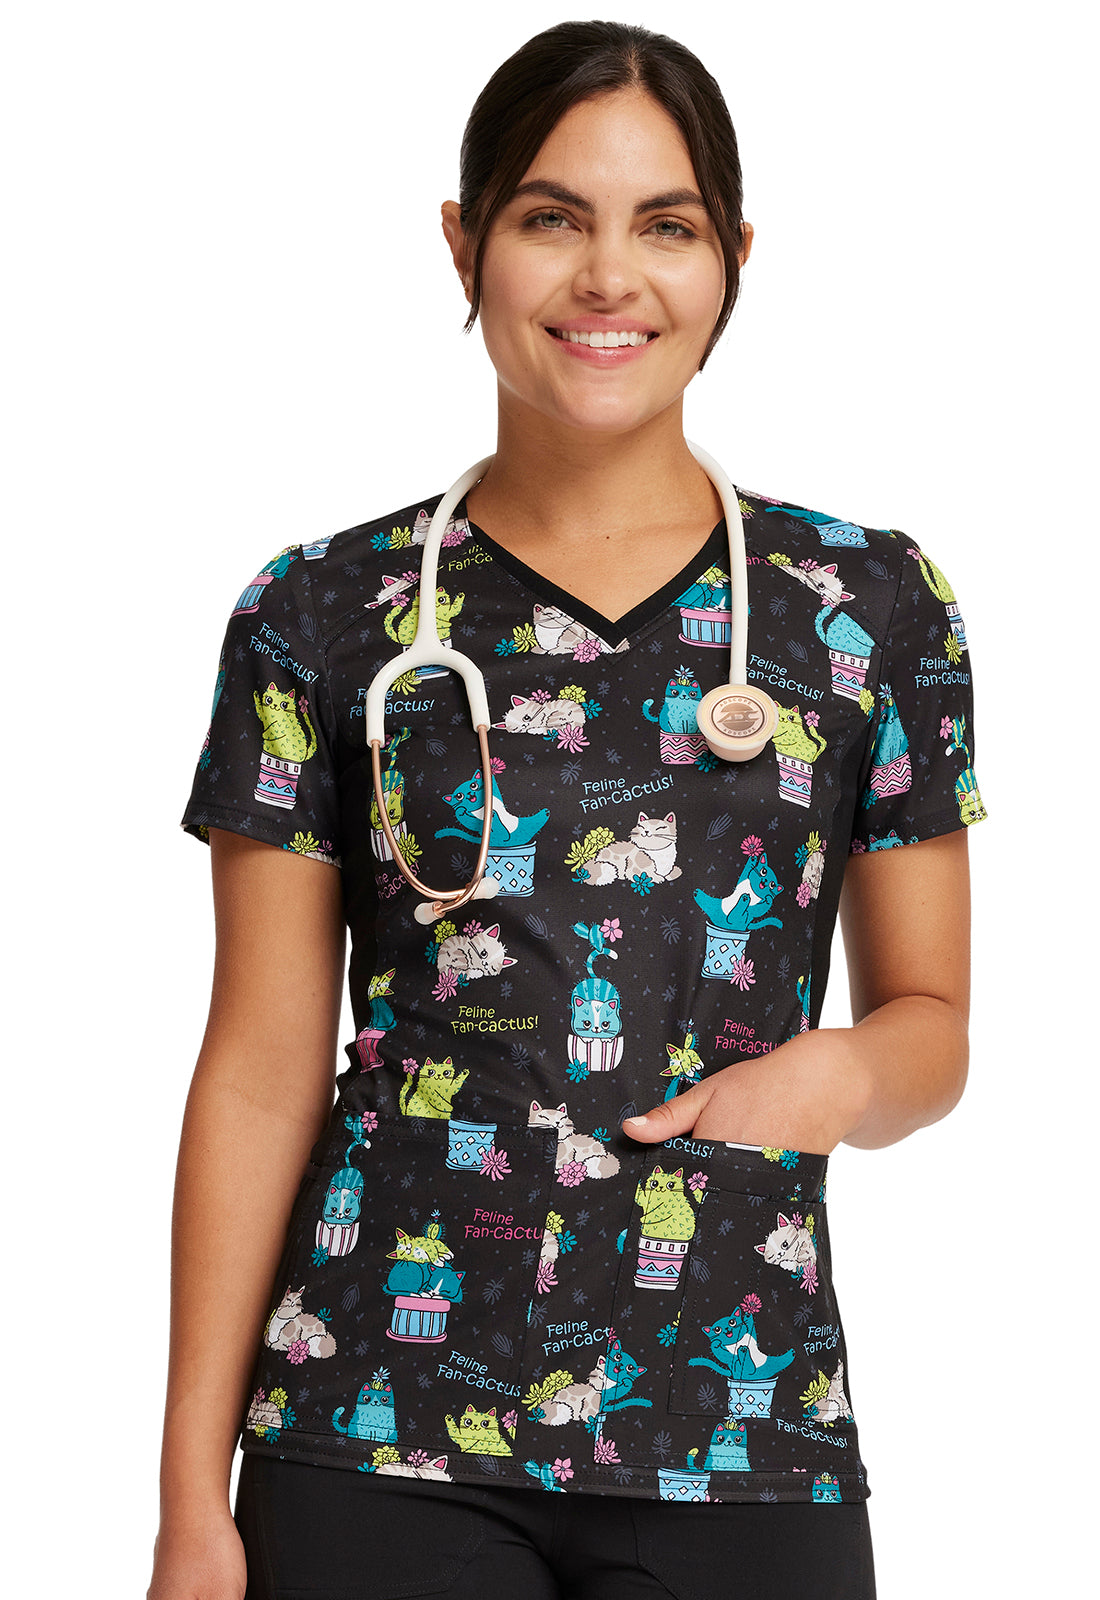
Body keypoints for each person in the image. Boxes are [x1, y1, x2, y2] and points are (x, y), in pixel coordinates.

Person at [148, 19, 987, 1600]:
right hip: (372, 1434)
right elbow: (258, 1071)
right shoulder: (319, 615)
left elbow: (932, 1026)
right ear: (463, 243)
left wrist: (845, 1073)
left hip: (740, 1431)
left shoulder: (867, 608)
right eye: (551, 218)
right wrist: (192, 1498)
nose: (610, 277)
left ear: (733, 261)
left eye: (665, 225)